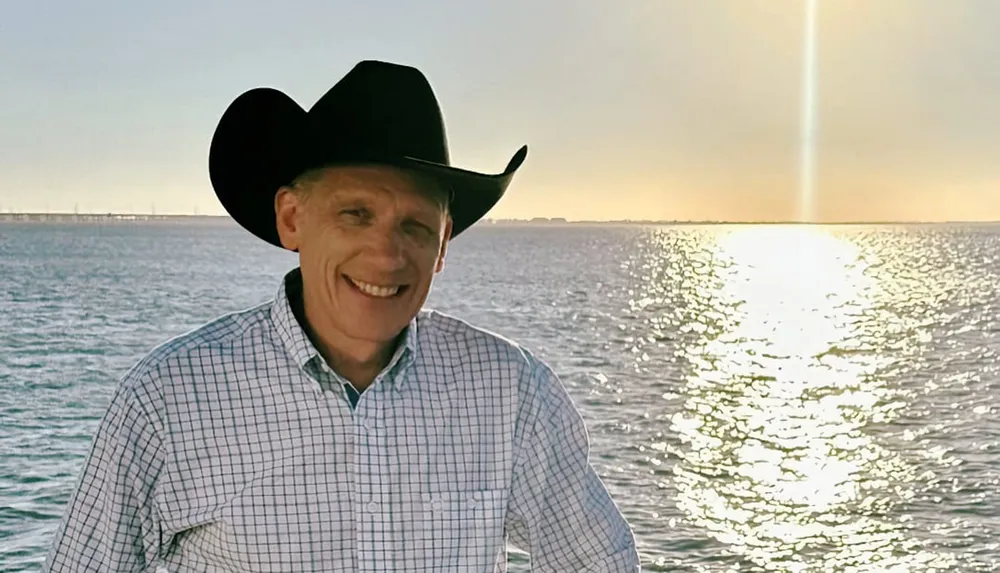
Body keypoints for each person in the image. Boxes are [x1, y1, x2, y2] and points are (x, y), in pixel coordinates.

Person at [43, 60, 640, 572]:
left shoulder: (512, 394)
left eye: (414, 226)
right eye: (356, 214)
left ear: (443, 244)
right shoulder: (170, 399)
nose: (386, 254)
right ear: (292, 219)